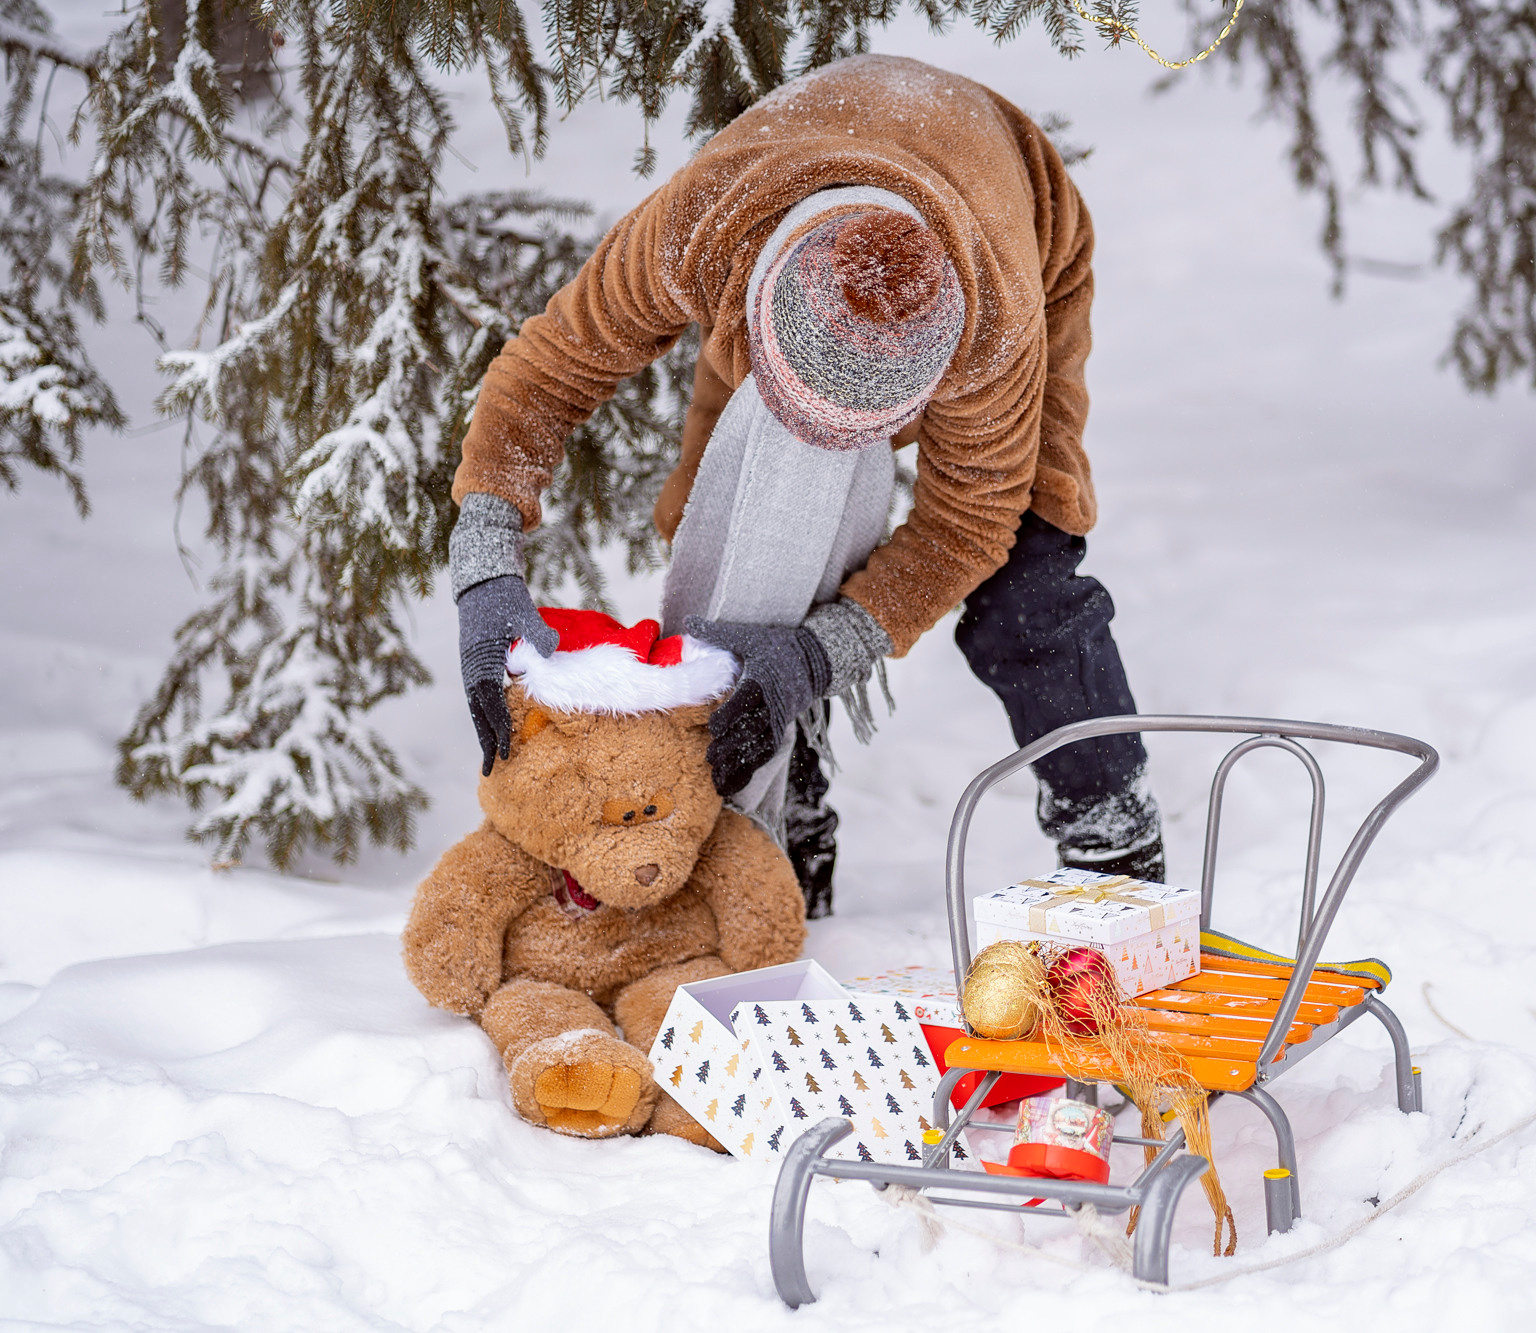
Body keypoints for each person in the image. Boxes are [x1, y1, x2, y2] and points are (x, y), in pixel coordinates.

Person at [448, 54, 1162, 917]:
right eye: (804, 413)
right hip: (800, 201)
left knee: (1027, 578)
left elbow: (968, 525)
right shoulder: (701, 229)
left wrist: (815, 657)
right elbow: (548, 371)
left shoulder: (992, 328)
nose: (833, 447)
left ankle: (1112, 831)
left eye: (859, 434)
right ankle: (790, 807)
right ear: (755, 308)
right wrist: (486, 572)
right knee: (742, 525)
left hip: (1013, 209)